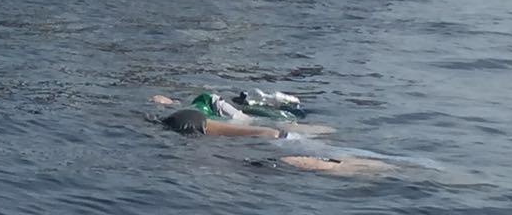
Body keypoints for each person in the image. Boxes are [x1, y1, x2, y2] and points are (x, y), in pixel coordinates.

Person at [151, 94, 395, 176]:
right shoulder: (220, 124)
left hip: (286, 144)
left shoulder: (216, 134)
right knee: (380, 166)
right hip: (285, 140)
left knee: (368, 168)